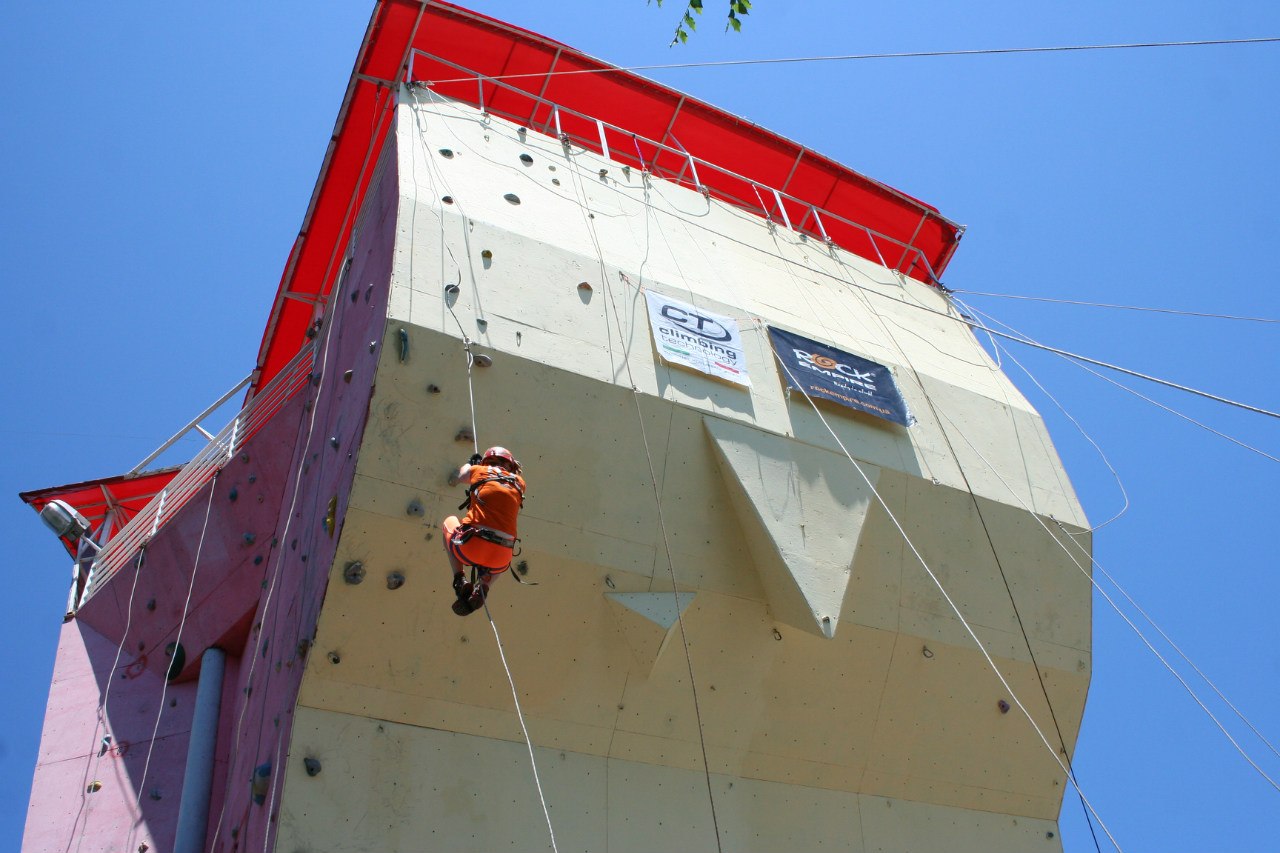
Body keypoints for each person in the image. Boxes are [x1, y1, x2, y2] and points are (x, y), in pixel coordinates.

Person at [442, 446, 526, 616]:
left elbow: (459, 477)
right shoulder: (520, 483)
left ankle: (459, 579)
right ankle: (484, 586)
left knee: (449, 521)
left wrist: (470, 464)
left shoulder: (479, 470)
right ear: (511, 466)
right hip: (500, 559)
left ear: (486, 462)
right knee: (505, 551)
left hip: (470, 546)